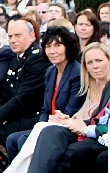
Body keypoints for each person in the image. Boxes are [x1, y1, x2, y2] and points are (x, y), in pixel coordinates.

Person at [0, 18, 51, 173]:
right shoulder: (19, 57)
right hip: (14, 114)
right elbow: (5, 94)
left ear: (32, 36)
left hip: (28, 118)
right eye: (10, 36)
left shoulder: (37, 58)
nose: (12, 40)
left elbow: (21, 100)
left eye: (18, 35)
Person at [3, 26, 84, 171]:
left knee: (22, 140)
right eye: (48, 46)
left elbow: (73, 109)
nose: (52, 51)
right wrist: (39, 128)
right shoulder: (51, 71)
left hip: (67, 126)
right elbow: (46, 109)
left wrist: (49, 125)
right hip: (48, 124)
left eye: (58, 45)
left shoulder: (77, 72)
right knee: (12, 139)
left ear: (68, 47)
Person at [27, 43, 110, 173]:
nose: (95, 66)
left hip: (100, 136)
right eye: (90, 63)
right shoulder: (94, 85)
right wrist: (69, 120)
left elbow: (104, 125)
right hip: (87, 128)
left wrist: (85, 127)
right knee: (50, 131)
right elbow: (94, 118)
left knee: (60, 153)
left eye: (99, 60)